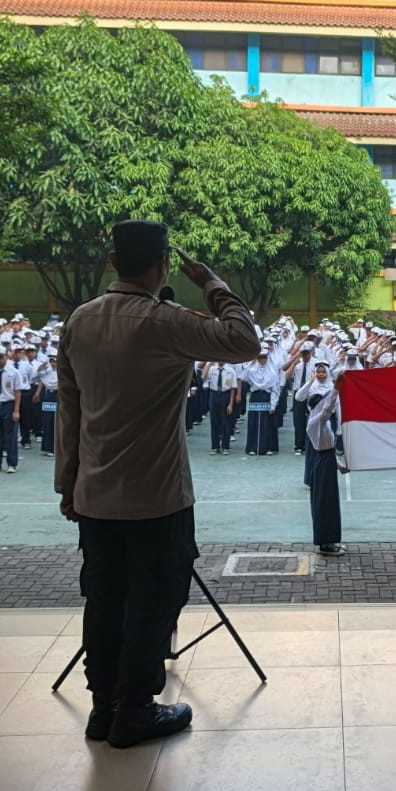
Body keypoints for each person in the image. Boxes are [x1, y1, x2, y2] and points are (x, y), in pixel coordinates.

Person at [56, 219, 259, 749]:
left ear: (111, 262)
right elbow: (244, 341)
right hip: (156, 496)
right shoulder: (164, 321)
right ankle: (137, 710)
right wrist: (213, 284)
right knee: (153, 601)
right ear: (165, 265)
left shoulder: (80, 321)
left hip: (95, 494)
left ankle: (103, 710)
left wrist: (66, 484)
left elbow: (70, 411)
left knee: (102, 600)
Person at [302, 364, 344, 555]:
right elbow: (328, 408)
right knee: (324, 504)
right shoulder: (315, 422)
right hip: (321, 465)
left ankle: (331, 540)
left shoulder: (323, 423)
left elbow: (327, 451)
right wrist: (336, 388)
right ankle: (325, 543)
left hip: (326, 462)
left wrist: (339, 466)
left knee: (330, 503)